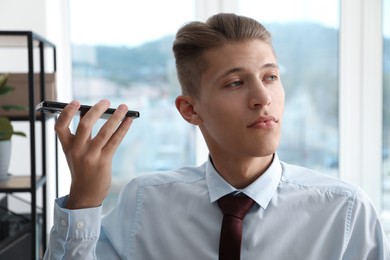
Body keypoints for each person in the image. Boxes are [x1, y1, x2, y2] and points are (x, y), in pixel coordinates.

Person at [44, 13, 390, 259]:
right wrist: (84, 201)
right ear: (190, 110)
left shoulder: (344, 212)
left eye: (270, 77)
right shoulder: (144, 203)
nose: (263, 98)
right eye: (236, 83)